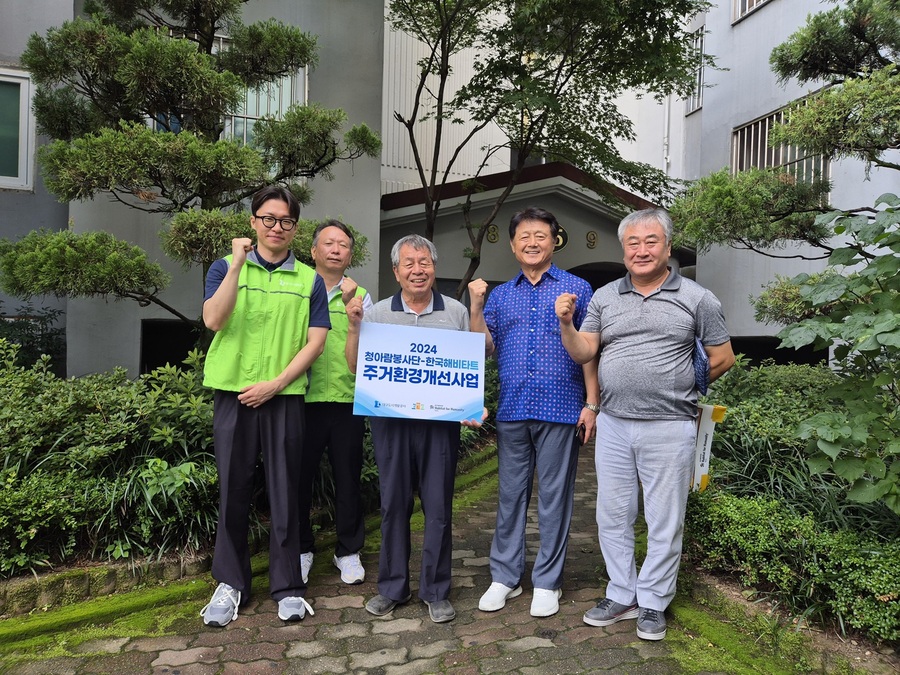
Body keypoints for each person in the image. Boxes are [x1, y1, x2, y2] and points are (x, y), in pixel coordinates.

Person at [555, 207, 735, 641]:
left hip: (670, 425)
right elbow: (584, 353)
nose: (641, 250)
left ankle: (653, 601)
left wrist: (680, 388)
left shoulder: (697, 298)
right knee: (613, 515)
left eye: (650, 241)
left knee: (663, 519)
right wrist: (565, 323)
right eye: (632, 243)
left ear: (667, 247)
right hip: (615, 424)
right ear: (623, 250)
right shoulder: (604, 297)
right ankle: (622, 592)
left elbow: (723, 357)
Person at [200, 185, 330, 627]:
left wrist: (276, 384)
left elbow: (316, 342)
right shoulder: (224, 267)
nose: (277, 227)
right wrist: (238, 263)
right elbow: (214, 320)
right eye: (268, 219)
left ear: (296, 228)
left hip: (284, 397)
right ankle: (230, 584)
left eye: (286, 221)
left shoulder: (309, 279)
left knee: (286, 493)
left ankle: (289, 586)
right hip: (233, 396)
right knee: (233, 490)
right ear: (253, 221)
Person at [469, 206, 600, 619]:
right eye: (524, 236)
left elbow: (591, 354)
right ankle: (504, 576)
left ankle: (547, 581)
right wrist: (475, 306)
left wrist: (591, 403)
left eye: (540, 235)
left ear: (554, 240)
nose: (532, 242)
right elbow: (483, 348)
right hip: (513, 407)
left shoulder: (577, 288)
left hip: (561, 408)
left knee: (555, 499)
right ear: (512, 245)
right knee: (510, 496)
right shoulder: (502, 295)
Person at [345, 234, 483, 624]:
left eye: (424, 262)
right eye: (409, 263)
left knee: (438, 507)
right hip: (390, 421)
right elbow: (357, 368)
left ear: (434, 268)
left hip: (439, 426)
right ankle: (392, 586)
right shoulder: (377, 313)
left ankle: (436, 590)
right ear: (396, 271)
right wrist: (354, 328)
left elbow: (473, 359)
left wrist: (471, 403)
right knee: (393, 505)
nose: (417, 270)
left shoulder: (456, 312)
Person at [299, 220, 373, 587]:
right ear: (313, 251)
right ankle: (300, 549)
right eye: (327, 243)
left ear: (350, 255)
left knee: (348, 478)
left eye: (343, 244)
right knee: (298, 479)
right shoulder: (299, 287)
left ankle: (348, 551)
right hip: (302, 398)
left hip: (347, 401)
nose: (335, 249)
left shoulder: (362, 295)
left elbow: (372, 350)